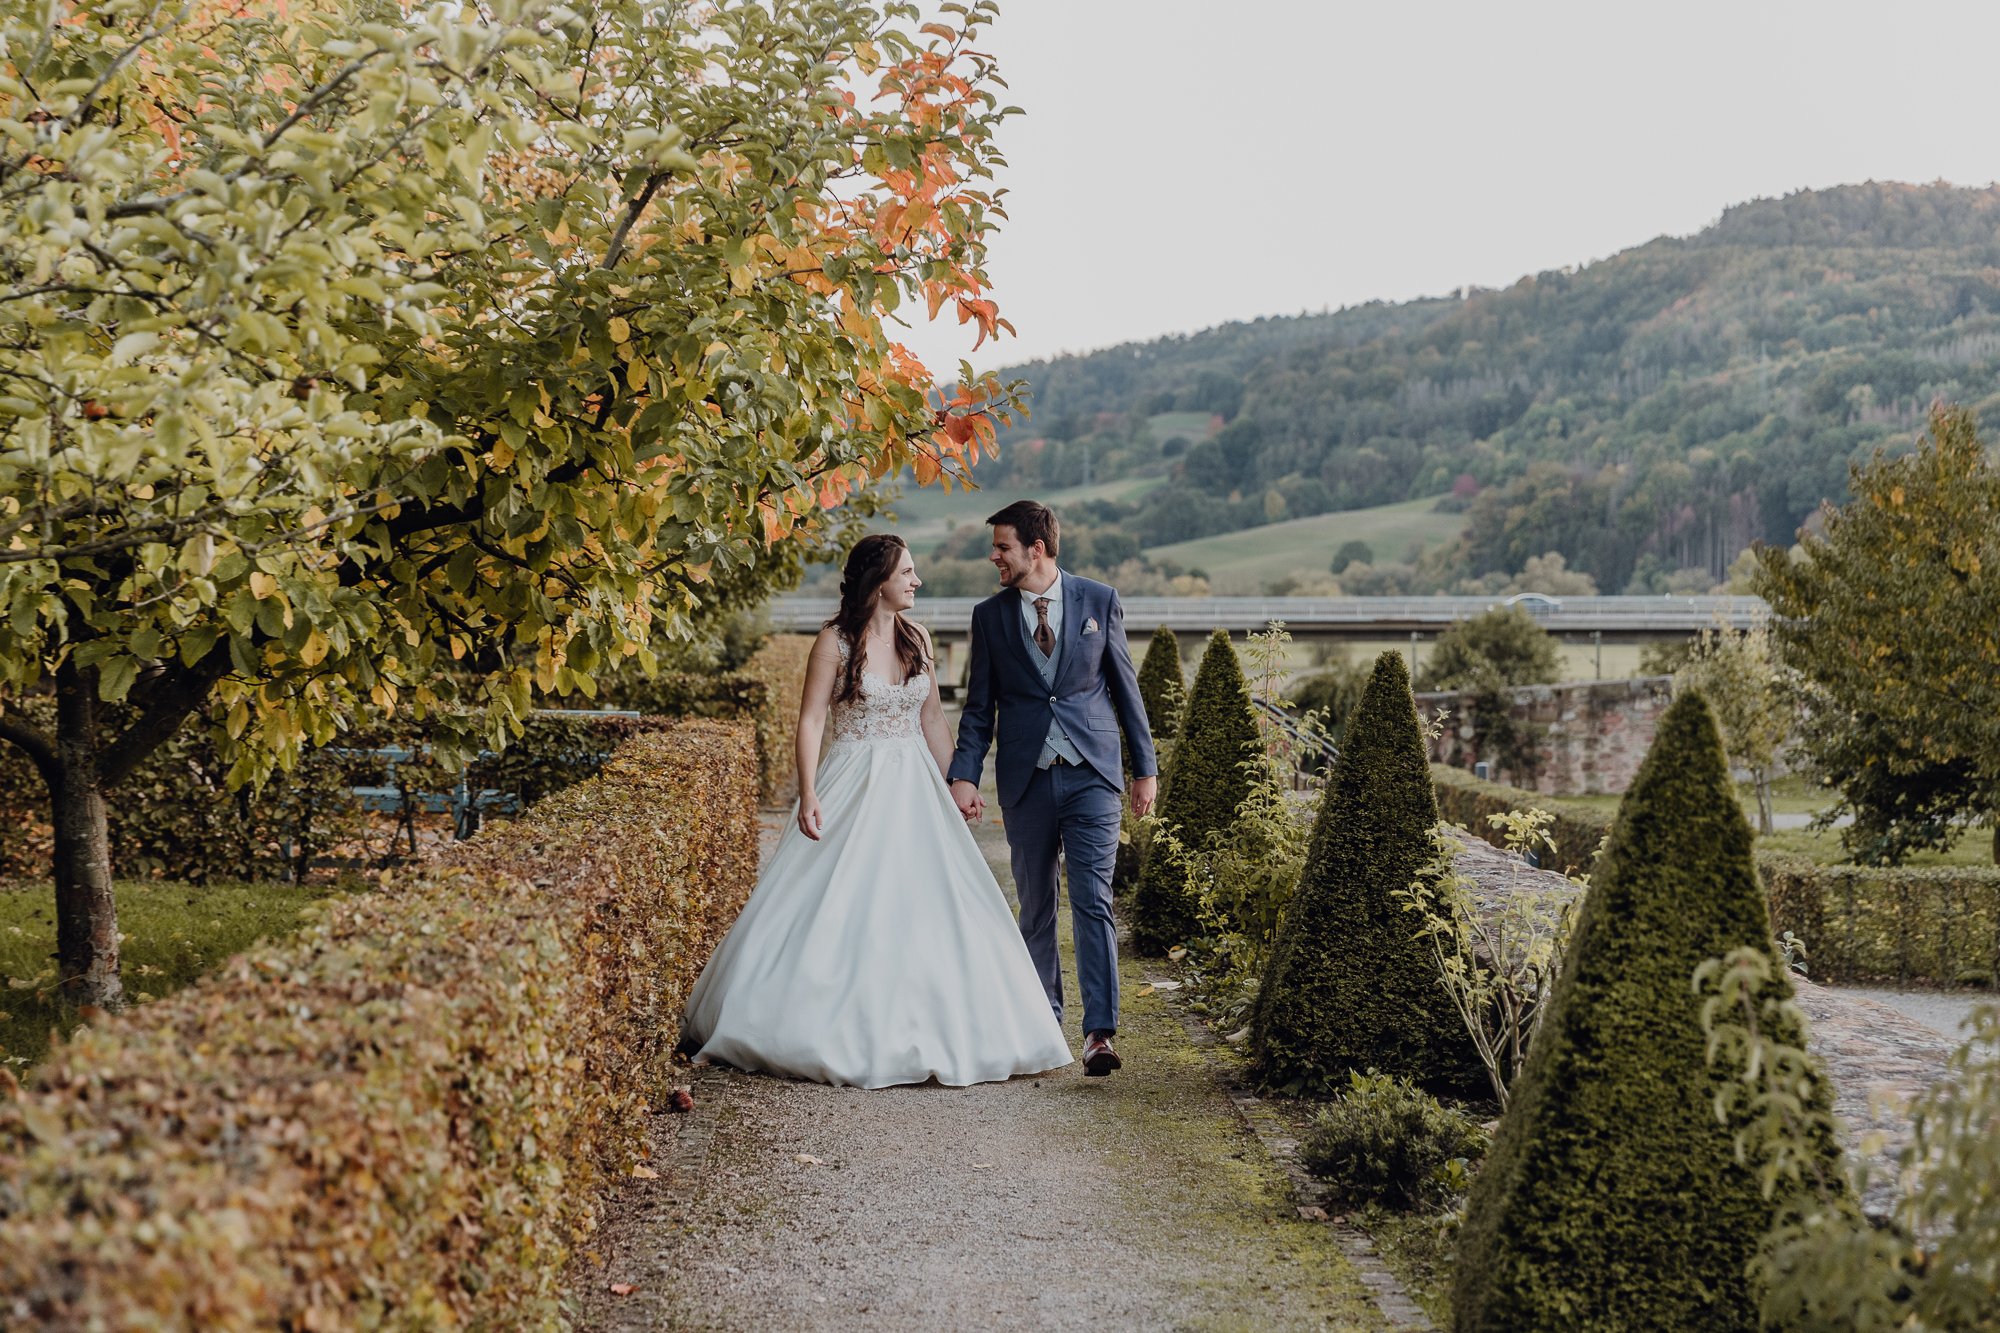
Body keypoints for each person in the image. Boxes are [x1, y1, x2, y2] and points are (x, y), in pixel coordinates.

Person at [682, 534, 1072, 1088]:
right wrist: (810, 792)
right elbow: (812, 720)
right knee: (839, 899)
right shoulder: (834, 642)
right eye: (907, 572)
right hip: (853, 778)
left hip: (916, 781)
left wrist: (957, 781)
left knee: (934, 901)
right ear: (878, 579)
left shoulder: (918, 638)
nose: (917, 581)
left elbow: (933, 720)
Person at [948, 501, 1158, 1077]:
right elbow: (978, 707)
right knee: (1037, 905)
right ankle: (1044, 1022)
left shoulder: (1099, 600)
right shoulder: (989, 617)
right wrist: (963, 773)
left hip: (1093, 773)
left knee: (1093, 900)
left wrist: (1146, 769)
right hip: (1026, 777)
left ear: (1035, 549)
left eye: (1002, 547)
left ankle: (1098, 1033)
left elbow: (1124, 687)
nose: (994, 557)